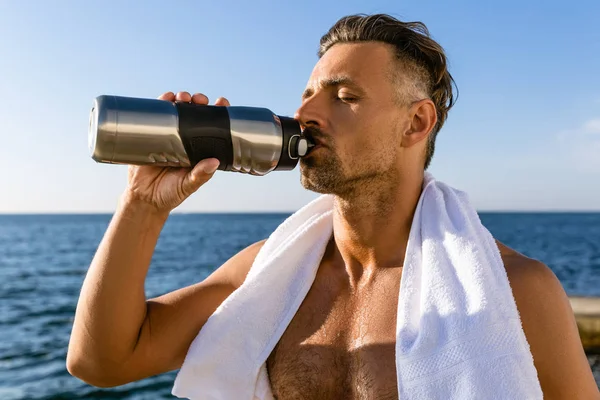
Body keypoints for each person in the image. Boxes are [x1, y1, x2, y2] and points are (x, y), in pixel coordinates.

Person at [67, 13, 599, 398]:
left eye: (344, 97)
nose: (304, 113)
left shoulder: (516, 290)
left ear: (416, 123)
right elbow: (102, 362)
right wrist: (143, 203)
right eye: (308, 94)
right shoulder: (264, 273)